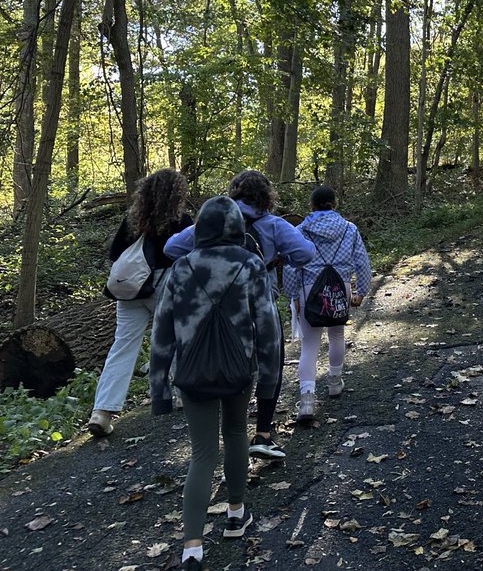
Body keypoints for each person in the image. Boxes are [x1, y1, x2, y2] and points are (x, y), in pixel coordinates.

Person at [150, 195, 281, 571]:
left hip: (191, 374)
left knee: (202, 453)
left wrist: (159, 391)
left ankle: (192, 546)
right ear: (238, 229)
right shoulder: (251, 265)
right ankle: (236, 515)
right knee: (237, 433)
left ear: (200, 229)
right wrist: (270, 380)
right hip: (239, 370)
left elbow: (161, 332)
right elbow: (269, 327)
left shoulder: (181, 267)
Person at [166, 170, 314, 460]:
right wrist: (280, 257)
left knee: (225, 358)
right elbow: (305, 254)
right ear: (267, 196)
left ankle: (225, 428)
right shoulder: (274, 225)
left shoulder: (211, 224)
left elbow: (171, 248)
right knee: (271, 361)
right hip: (261, 305)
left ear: (232, 193)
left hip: (215, 309)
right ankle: (263, 433)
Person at [88, 170, 193, 438]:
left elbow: (114, 254)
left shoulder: (133, 219)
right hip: (166, 285)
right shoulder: (182, 221)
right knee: (175, 337)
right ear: (176, 193)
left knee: (122, 346)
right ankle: (180, 394)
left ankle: (102, 411)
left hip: (131, 290)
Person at [285, 186, 372, 422]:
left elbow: (291, 265)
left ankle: (307, 401)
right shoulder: (349, 229)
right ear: (334, 204)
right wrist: (361, 291)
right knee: (336, 335)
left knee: (310, 345)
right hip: (339, 287)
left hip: (308, 289)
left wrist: (293, 295)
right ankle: (334, 381)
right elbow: (362, 261)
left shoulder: (300, 230)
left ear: (311, 206)